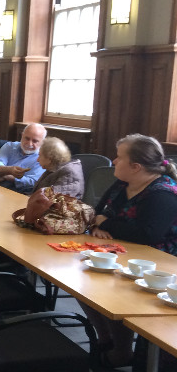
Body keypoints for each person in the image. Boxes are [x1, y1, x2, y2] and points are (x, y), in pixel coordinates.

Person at [82, 134, 177, 368]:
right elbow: (97, 212)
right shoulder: (123, 183)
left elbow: (147, 235)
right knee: (81, 282)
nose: (113, 161)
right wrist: (97, 224)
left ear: (136, 167)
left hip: (157, 265)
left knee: (108, 292)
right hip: (123, 253)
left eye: (119, 157)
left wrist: (106, 224)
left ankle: (121, 350)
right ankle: (107, 340)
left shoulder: (163, 193)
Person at [0, 123, 47, 194]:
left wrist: (9, 177)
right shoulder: (9, 146)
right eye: (27, 138)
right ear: (22, 135)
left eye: (35, 141)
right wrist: (9, 170)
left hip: (19, 194)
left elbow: (34, 182)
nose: (29, 144)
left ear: (42, 142)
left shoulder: (43, 158)